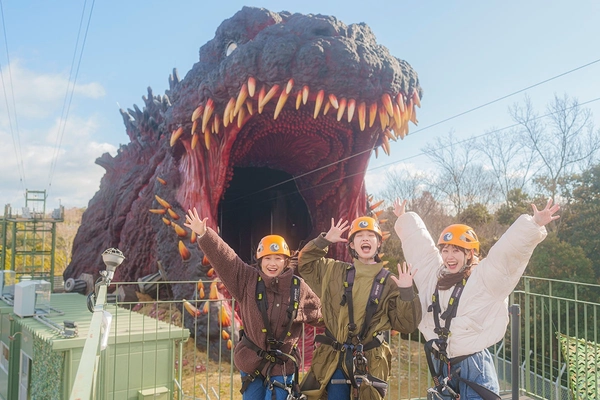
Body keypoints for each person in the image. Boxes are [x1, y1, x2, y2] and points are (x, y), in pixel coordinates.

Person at [393, 198, 560, 400]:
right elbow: (420, 248)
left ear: (470, 253)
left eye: (457, 250)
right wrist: (404, 218)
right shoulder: (433, 276)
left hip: (473, 366)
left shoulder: (482, 280)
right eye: (445, 250)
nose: (449, 256)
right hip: (442, 365)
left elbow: (505, 256)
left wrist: (533, 224)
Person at [184, 207, 322, 400]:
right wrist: (204, 234)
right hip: (252, 363)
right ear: (260, 260)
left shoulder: (298, 288)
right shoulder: (247, 280)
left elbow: (321, 316)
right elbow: (226, 258)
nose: (272, 263)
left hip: (283, 366)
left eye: (277, 258)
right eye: (267, 258)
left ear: (285, 261)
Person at [297, 216, 422, 400]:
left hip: (370, 362)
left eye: (371, 236)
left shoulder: (390, 282)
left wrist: (406, 293)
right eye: (359, 236)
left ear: (378, 243)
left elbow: (406, 325)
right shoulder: (334, 271)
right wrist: (323, 241)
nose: (365, 239)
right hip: (335, 358)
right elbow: (305, 264)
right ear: (352, 245)